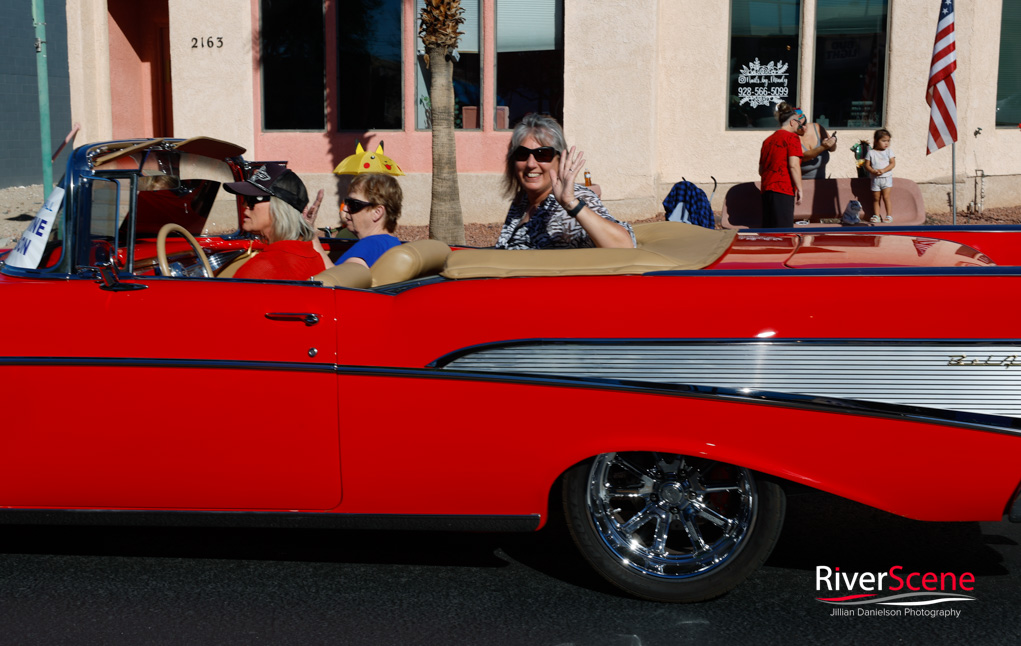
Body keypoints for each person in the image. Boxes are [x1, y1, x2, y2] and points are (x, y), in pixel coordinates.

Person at [495, 113, 634, 250]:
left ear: (561, 160)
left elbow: (624, 246)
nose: (531, 163)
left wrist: (570, 203)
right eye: (522, 154)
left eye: (542, 154)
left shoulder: (578, 198)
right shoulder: (523, 200)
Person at [222, 163, 329, 281]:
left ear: (279, 207)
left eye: (252, 199)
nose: (244, 205)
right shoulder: (313, 256)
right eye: (245, 199)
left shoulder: (263, 267)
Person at [322, 173, 403, 268]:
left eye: (353, 204)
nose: (345, 209)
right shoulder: (392, 243)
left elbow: (330, 280)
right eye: (346, 202)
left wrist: (310, 238)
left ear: (377, 212)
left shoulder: (368, 246)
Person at [758, 104, 804, 228]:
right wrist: (800, 188)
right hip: (783, 189)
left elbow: (761, 170)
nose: (799, 125)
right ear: (792, 122)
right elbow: (794, 165)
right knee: (784, 233)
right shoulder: (792, 138)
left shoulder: (768, 140)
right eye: (799, 122)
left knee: (769, 233)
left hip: (767, 189)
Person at [784, 105, 837, 179]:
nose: (804, 128)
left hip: (821, 184)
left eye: (804, 124)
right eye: (799, 126)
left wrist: (833, 142)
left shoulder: (817, 128)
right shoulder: (790, 137)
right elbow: (803, 157)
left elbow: (832, 149)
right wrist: (823, 147)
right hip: (800, 185)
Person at [864, 128, 896, 221]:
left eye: (888, 141)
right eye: (883, 141)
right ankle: (876, 215)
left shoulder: (889, 152)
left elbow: (892, 163)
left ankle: (888, 216)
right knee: (876, 198)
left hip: (886, 178)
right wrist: (873, 171)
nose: (886, 143)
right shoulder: (871, 152)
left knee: (886, 197)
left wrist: (884, 170)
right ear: (876, 141)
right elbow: (867, 165)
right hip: (875, 179)